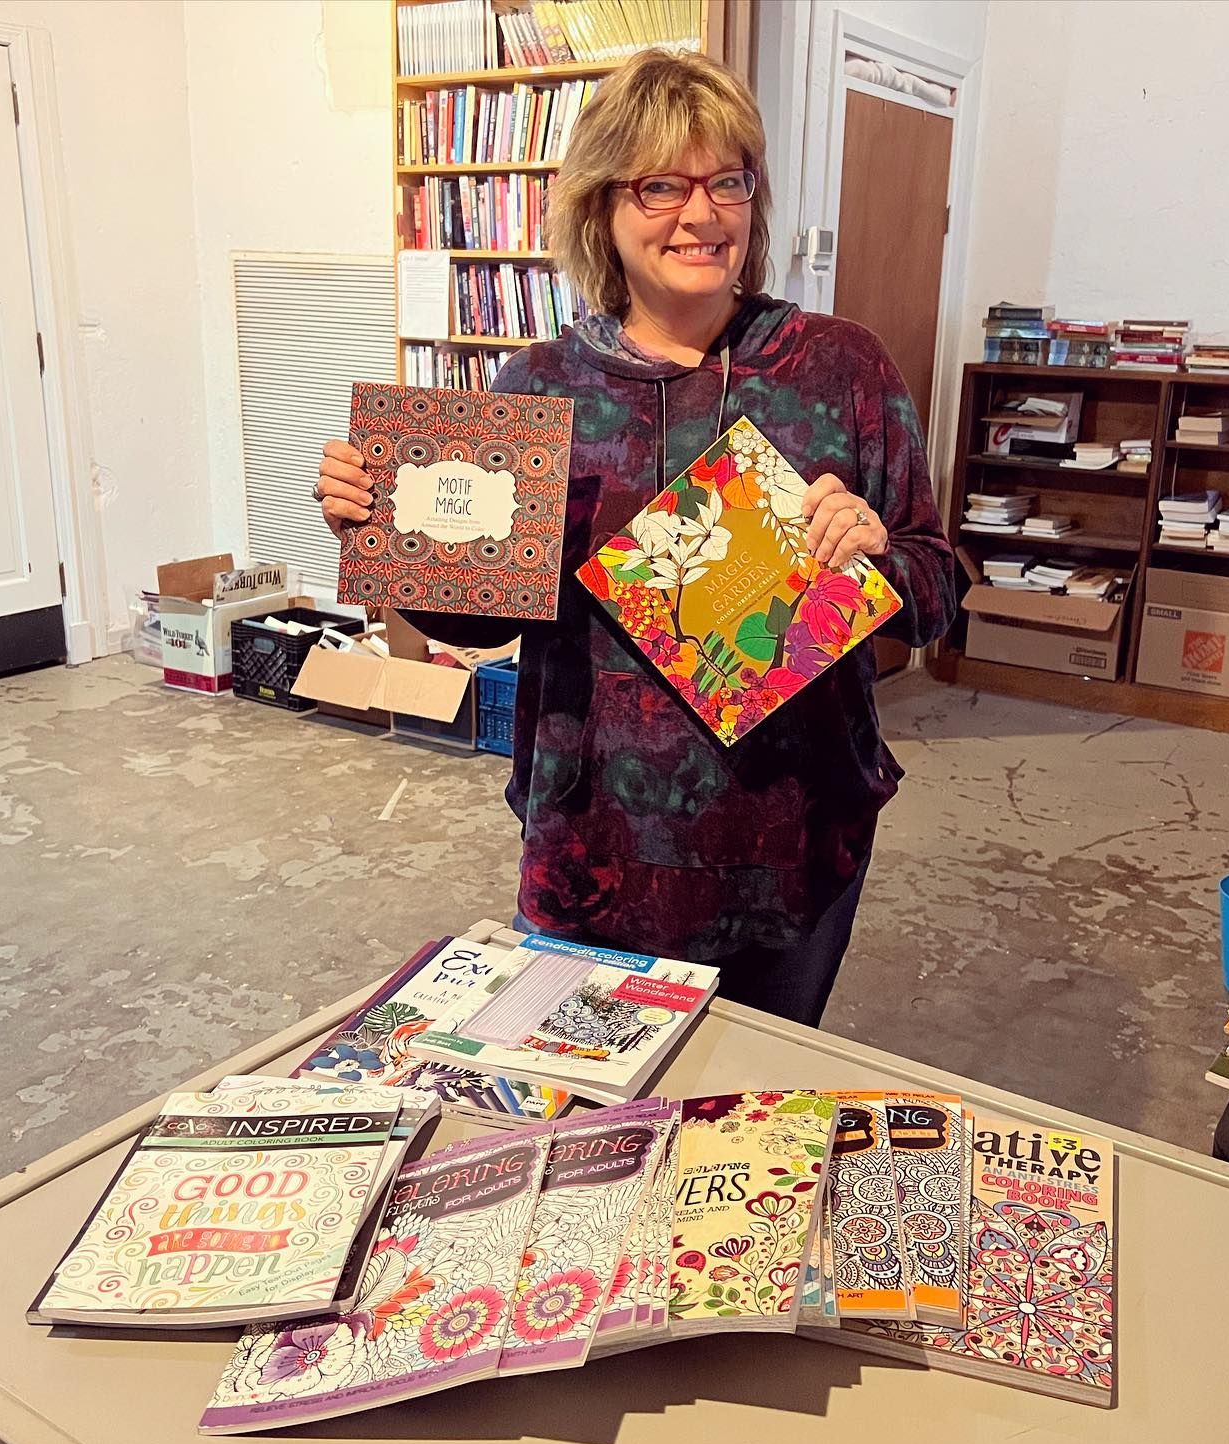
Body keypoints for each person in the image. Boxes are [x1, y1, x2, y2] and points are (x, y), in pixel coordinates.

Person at [315, 49, 956, 1026]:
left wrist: (880, 558)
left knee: (750, 1118)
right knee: (595, 1132)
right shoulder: (537, 387)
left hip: (790, 839)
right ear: (600, 206)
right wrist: (381, 528)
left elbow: (941, 578)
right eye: (662, 184)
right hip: (592, 845)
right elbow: (480, 624)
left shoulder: (838, 367)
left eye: (728, 180)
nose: (702, 216)